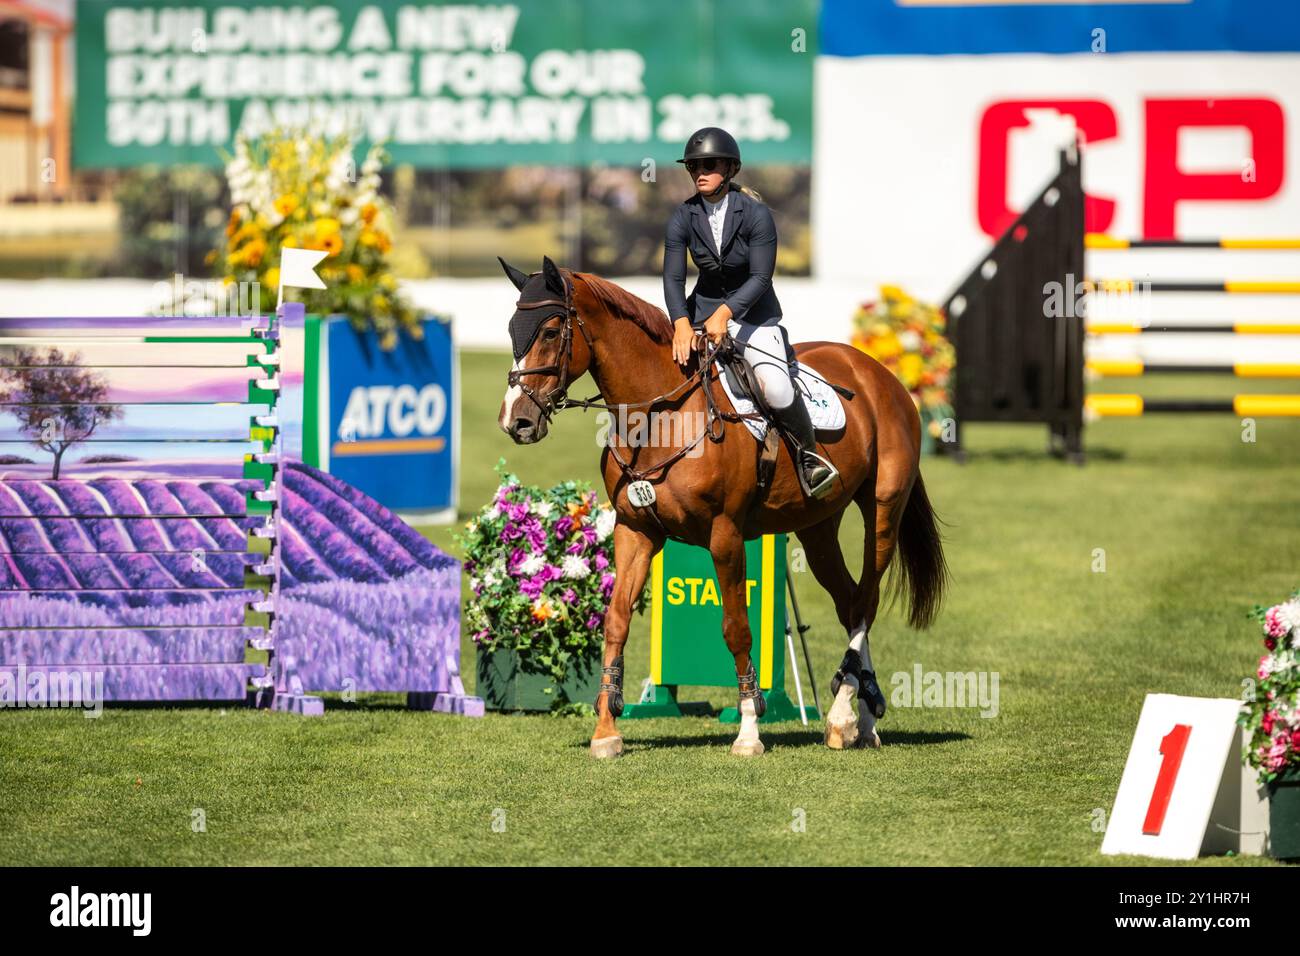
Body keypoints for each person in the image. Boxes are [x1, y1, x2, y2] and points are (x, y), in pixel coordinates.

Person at [662, 126, 837, 498]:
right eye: (693, 166)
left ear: (731, 168)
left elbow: (760, 277)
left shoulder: (756, 215)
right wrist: (679, 323)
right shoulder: (683, 216)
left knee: (774, 386)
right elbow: (673, 277)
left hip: (755, 316)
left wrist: (725, 313)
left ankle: (809, 460)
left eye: (709, 165)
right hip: (698, 316)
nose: (700, 172)